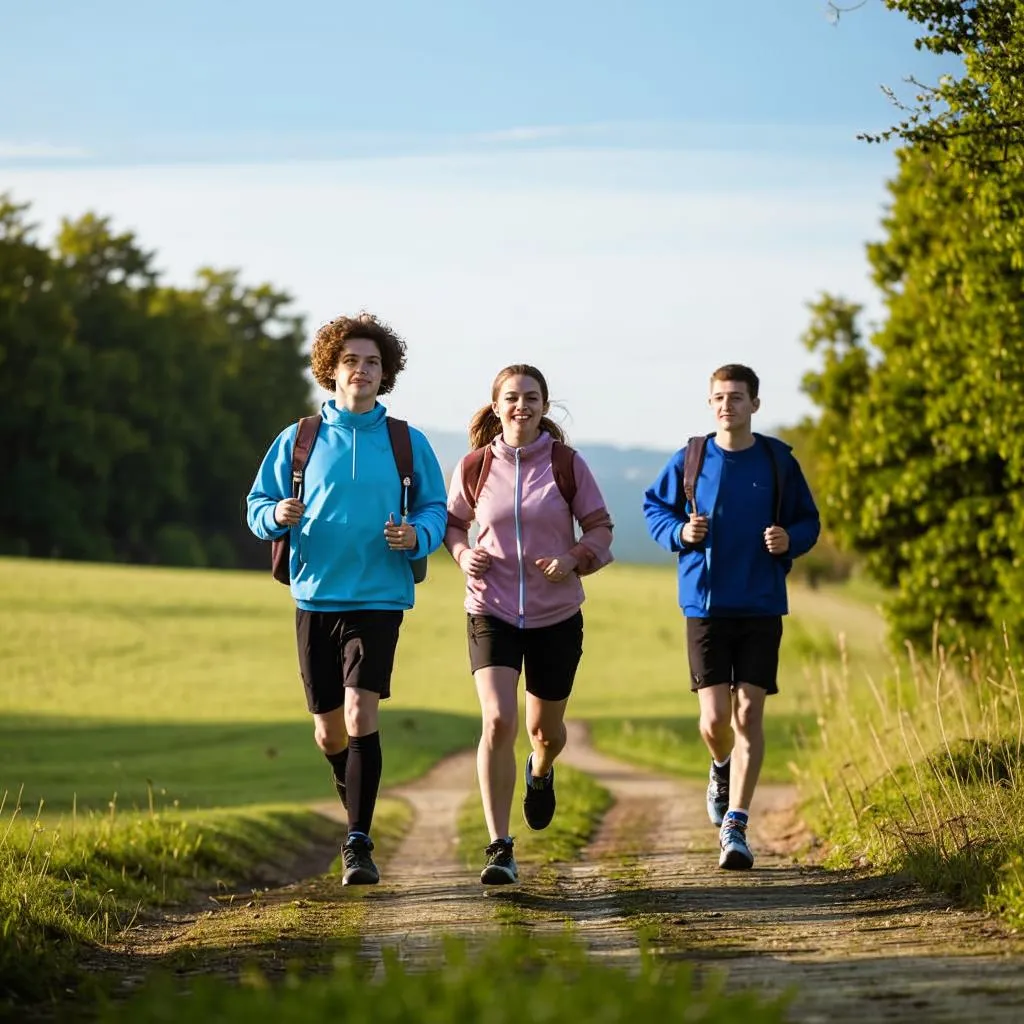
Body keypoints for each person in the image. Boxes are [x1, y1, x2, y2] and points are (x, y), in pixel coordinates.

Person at [246, 312, 447, 886]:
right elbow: (258, 504)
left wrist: (418, 535)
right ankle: (352, 787)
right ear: (331, 371)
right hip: (316, 595)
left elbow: (435, 508)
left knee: (362, 713)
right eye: (351, 361)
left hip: (380, 597)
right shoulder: (299, 438)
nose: (362, 370)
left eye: (373, 362)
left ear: (386, 375)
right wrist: (275, 515)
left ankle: (357, 841)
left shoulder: (407, 442)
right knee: (329, 732)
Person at [642, 363, 819, 871]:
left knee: (749, 715)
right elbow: (655, 507)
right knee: (716, 719)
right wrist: (681, 534)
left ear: (754, 405)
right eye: (719, 397)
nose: (727, 405)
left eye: (737, 398)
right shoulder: (691, 458)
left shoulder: (777, 460)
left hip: (761, 602)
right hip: (706, 603)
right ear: (710, 403)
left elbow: (808, 520)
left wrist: (792, 539)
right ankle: (721, 766)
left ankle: (736, 825)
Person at [444, 364, 614, 886]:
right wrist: (463, 553)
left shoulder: (566, 464)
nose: (522, 405)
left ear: (544, 405)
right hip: (489, 609)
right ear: (496, 406)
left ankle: (540, 771)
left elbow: (601, 527)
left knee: (545, 731)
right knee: (497, 721)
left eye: (532, 397)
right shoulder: (474, 466)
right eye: (512, 397)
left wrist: (575, 557)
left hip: (555, 615)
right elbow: (452, 524)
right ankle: (500, 846)